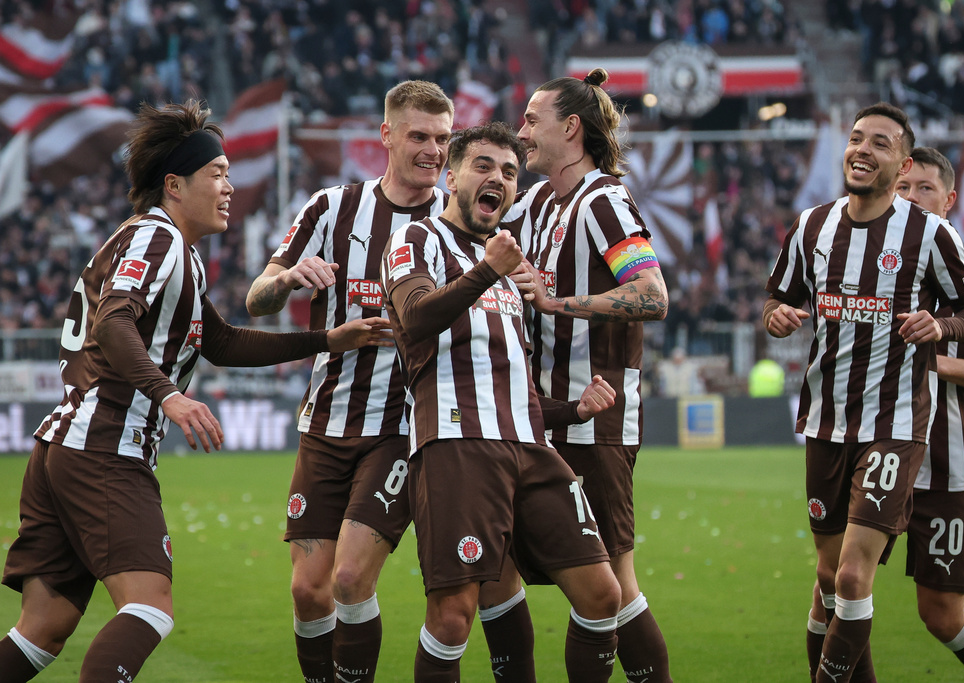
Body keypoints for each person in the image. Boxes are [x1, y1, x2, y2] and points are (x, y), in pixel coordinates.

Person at [0, 100, 390, 683]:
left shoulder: (169, 248)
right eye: (218, 174)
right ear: (175, 185)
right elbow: (113, 320)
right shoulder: (156, 240)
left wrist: (329, 339)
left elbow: (224, 342)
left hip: (64, 446)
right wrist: (169, 396)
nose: (230, 186)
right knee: (149, 608)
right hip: (106, 445)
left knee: (43, 628)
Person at [381, 121, 623, 682]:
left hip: (529, 446)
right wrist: (489, 270)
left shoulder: (510, 268)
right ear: (451, 176)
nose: (498, 179)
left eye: (510, 172)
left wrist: (571, 409)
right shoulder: (416, 240)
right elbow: (415, 319)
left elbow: (512, 381)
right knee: (452, 618)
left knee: (601, 593)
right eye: (484, 166)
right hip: (455, 445)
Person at [764, 103, 964, 683]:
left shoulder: (929, 234)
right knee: (827, 576)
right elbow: (775, 297)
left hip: (893, 424)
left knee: (851, 578)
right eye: (857, 139)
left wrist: (941, 325)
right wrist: (779, 316)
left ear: (902, 161)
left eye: (880, 144)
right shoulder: (812, 225)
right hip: (825, 423)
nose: (862, 150)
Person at [244, 80, 452, 683]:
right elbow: (256, 299)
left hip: (401, 428)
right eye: (419, 136)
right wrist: (284, 281)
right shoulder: (333, 208)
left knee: (350, 579)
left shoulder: (455, 220)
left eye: (443, 139)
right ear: (386, 135)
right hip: (326, 422)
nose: (433, 151)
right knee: (309, 592)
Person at [803, 147, 964, 683]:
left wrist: (931, 359)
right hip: (876, 447)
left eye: (924, 189)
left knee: (940, 614)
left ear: (948, 201)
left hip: (944, 463)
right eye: (904, 189)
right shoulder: (874, 268)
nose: (910, 198)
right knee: (836, 582)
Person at [495, 67, 673, 683]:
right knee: (507, 569)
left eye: (532, 120)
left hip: (598, 419)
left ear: (571, 128)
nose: (521, 133)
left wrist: (559, 303)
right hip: (542, 420)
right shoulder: (538, 202)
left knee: (612, 582)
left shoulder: (605, 201)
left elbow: (652, 294)